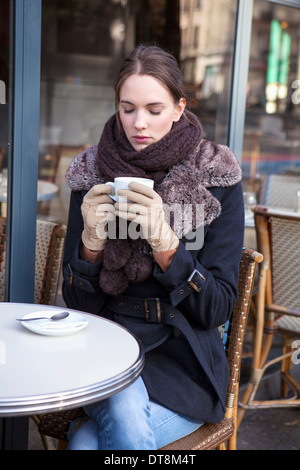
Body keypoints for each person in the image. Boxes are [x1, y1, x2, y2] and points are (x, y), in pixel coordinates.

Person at [62, 45, 244, 450]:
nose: (138, 123)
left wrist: (166, 245)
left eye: (154, 109)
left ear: (180, 108)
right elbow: (75, 304)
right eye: (127, 108)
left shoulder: (215, 175)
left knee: (87, 444)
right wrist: (91, 243)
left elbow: (216, 308)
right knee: (123, 396)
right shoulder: (91, 174)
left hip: (184, 359)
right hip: (106, 344)